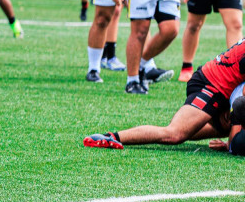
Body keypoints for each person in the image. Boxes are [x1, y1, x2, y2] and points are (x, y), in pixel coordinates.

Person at [84, 40, 245, 154]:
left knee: (218, 129)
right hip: (210, 85)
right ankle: (112, 137)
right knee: (175, 134)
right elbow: (241, 100)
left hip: (223, 90)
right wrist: (231, 143)